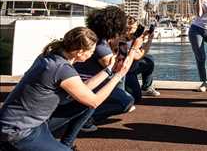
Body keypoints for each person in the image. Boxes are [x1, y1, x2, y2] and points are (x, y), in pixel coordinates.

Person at [0, 27, 139, 150]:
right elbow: (94, 101)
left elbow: (83, 89)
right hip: (17, 131)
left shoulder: (52, 57)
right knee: (89, 103)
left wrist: (109, 70)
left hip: (32, 123)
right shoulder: (62, 69)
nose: (92, 54)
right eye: (91, 51)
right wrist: (119, 75)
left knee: (84, 104)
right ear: (79, 52)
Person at [74, 6, 143, 131]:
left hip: (85, 82)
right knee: (125, 101)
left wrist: (117, 46)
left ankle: (83, 115)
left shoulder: (96, 38)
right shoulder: (100, 45)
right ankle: (84, 119)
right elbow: (119, 68)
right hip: (89, 85)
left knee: (126, 97)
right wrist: (134, 47)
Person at [123, 16, 160, 97]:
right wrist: (149, 40)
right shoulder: (123, 41)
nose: (132, 31)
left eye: (135, 28)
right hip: (125, 72)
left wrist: (142, 37)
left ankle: (146, 88)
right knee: (135, 97)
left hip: (130, 68)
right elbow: (138, 55)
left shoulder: (131, 38)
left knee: (148, 59)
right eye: (129, 29)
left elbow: (140, 52)